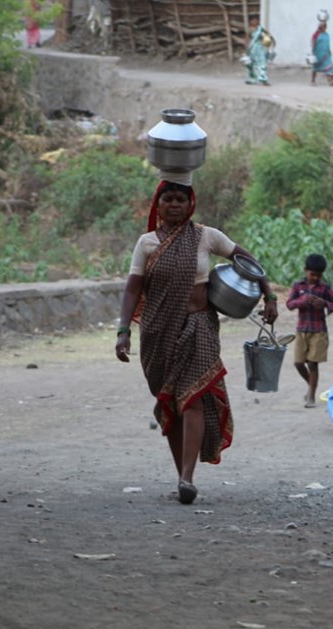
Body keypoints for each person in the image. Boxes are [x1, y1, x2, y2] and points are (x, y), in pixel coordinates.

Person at [115, 178, 279, 505]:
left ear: (190, 204)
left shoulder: (206, 236)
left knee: (193, 398)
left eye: (180, 199)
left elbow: (249, 262)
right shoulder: (146, 243)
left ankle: (188, 478)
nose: (174, 205)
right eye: (168, 200)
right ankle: (181, 476)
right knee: (172, 402)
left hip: (200, 326)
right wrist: (123, 331)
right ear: (157, 205)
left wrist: (269, 296)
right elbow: (133, 288)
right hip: (158, 333)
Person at [286, 253, 333, 408]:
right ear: (305, 270)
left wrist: (325, 304)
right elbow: (289, 304)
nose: (315, 277)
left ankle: (311, 396)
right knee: (298, 363)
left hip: (319, 330)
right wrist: (301, 301)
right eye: (312, 274)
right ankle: (311, 385)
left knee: (313, 363)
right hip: (302, 329)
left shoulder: (324, 288)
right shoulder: (298, 286)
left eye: (318, 275)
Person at [245, 16, 275, 86]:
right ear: (250, 21)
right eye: (253, 20)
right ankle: (252, 78)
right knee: (251, 64)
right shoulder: (249, 29)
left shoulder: (260, 29)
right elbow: (247, 39)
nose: (255, 22)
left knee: (262, 62)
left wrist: (271, 41)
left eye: (257, 20)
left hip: (260, 48)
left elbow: (268, 35)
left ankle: (263, 79)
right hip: (252, 48)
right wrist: (246, 48)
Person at [310, 19, 333, 86]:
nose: (325, 28)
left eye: (325, 27)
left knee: (328, 66)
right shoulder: (316, 35)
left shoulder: (326, 35)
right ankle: (313, 81)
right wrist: (313, 52)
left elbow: (327, 44)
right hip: (317, 54)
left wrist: (329, 51)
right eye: (324, 27)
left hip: (325, 54)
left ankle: (330, 81)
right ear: (321, 27)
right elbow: (313, 44)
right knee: (315, 68)